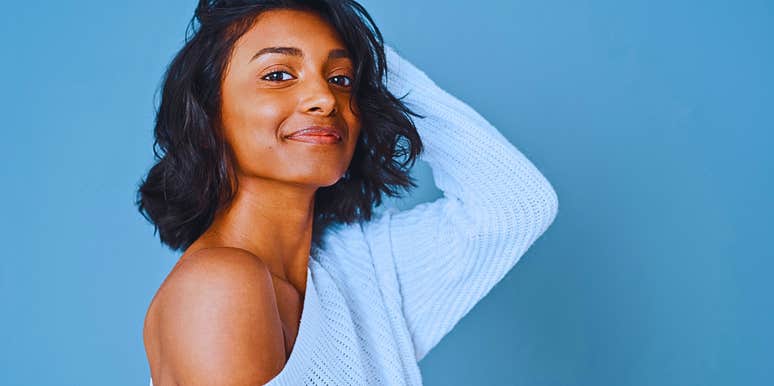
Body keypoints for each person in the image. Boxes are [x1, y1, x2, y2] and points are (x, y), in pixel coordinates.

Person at [136, 1, 559, 385]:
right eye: (278, 75)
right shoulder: (217, 285)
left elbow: (517, 205)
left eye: (341, 79)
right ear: (209, 112)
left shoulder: (360, 269)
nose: (324, 98)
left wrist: (365, 52)